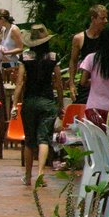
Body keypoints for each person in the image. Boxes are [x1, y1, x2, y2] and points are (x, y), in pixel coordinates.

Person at [12, 25, 64, 186]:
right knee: (44, 139)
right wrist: (60, 103)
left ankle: (28, 176)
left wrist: (14, 104)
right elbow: (58, 82)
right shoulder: (53, 57)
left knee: (29, 140)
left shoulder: (25, 57)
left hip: (30, 101)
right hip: (47, 101)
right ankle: (41, 173)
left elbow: (20, 82)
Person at [69, 4, 108, 103]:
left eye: (106, 18)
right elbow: (73, 61)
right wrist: (72, 84)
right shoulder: (79, 38)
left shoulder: (108, 38)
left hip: (104, 84)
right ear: (93, 19)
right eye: (102, 18)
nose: (106, 21)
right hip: (86, 83)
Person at [78, 26, 109, 127]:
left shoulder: (91, 58)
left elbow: (83, 82)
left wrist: (95, 82)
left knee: (95, 140)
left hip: (92, 110)